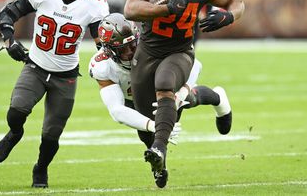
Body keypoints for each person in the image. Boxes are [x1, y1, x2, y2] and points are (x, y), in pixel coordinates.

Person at [124, 0, 244, 188]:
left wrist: (228, 17)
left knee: (165, 84)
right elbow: (131, 9)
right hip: (148, 51)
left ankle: (159, 148)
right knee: (147, 122)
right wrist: (164, 8)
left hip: (180, 49)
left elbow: (237, 0)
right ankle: (215, 98)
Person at [0, 0, 109, 188]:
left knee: (51, 134)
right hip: (35, 67)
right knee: (17, 110)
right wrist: (10, 40)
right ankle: (15, 133)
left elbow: (102, 42)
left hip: (65, 76)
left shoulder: (94, 3)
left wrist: (110, 56)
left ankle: (41, 168)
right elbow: (6, 15)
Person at [89, 13, 232, 188]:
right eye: (122, 49)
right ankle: (159, 164)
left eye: (132, 45)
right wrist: (152, 125)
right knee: (145, 134)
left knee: (186, 101)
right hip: (132, 100)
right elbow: (117, 111)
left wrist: (180, 95)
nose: (129, 53)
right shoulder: (102, 66)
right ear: (108, 50)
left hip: (160, 88)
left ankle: (218, 97)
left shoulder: (153, 45)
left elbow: (195, 64)